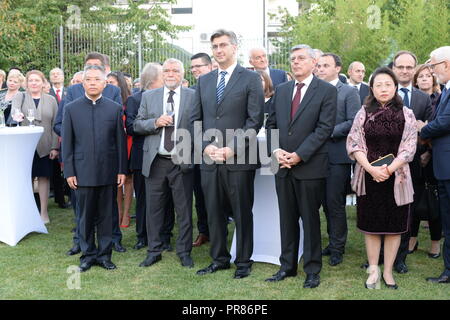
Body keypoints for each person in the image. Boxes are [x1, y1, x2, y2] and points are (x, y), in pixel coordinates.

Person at [191, 29, 264, 279]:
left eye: (223, 45)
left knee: (242, 212)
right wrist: (205, 145)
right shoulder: (204, 81)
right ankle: (219, 258)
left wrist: (232, 147)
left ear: (234, 47)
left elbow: (254, 121)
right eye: (215, 46)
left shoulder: (251, 79)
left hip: (239, 158)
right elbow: (194, 120)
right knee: (213, 211)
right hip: (210, 158)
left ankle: (243, 261)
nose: (218, 50)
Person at [265, 44, 337, 289]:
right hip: (282, 165)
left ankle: (312, 270)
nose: (296, 62)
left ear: (313, 63)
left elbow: (324, 128)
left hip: (310, 166)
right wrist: (275, 151)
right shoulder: (282, 90)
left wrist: (299, 155)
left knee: (310, 220)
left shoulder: (326, 91)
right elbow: (271, 123)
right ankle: (287, 266)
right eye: (293, 59)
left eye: (301, 58)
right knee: (286, 218)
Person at [347, 67, 417, 289]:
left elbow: (409, 146)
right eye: (379, 85)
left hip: (397, 179)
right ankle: (373, 270)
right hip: (369, 178)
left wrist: (389, 169)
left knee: (394, 227)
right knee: (372, 227)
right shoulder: (363, 113)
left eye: (388, 84)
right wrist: (370, 168)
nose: (383, 88)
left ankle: (388, 272)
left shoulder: (407, 114)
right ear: (372, 88)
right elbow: (354, 143)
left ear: (395, 86)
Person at [54, 52, 124, 257]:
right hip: (81, 171)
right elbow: (67, 143)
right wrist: (69, 171)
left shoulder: (114, 109)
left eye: (97, 80)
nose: (92, 83)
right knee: (84, 216)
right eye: (88, 80)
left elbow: (119, 142)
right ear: (82, 84)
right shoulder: (71, 109)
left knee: (105, 215)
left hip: (108, 171)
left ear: (105, 84)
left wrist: (121, 170)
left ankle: (104, 255)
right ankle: (87, 254)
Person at [134, 58, 195, 268]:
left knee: (184, 209)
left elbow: (200, 126)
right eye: (167, 71)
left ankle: (184, 251)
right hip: (156, 161)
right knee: (154, 209)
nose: (170, 74)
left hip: (182, 161)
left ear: (182, 74)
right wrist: (155, 123)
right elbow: (137, 124)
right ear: (162, 75)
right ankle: (154, 250)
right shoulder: (149, 96)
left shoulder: (193, 96)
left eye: (175, 71)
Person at [316, 53, 361, 266]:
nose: (321, 69)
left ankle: (337, 248)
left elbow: (354, 121)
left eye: (326, 65)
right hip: (314, 156)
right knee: (323, 203)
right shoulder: (314, 91)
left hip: (337, 156)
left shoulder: (349, 92)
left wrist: (327, 132)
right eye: (319, 65)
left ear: (338, 68)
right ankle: (328, 242)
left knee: (334, 203)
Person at [391, 50, 433, 274]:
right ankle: (378, 255)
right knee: (383, 209)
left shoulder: (423, 98)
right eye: (401, 67)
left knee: (407, 211)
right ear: (394, 68)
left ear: (414, 70)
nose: (405, 71)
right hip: (384, 165)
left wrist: (425, 149)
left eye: (409, 67)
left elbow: (428, 129)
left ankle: (400, 258)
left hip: (413, 165)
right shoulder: (382, 92)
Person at [125, 62, 174, 251]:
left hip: (167, 155)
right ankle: (142, 235)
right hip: (143, 156)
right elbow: (130, 127)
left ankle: (166, 236)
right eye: (164, 76)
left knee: (167, 199)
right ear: (154, 80)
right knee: (144, 199)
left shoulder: (170, 98)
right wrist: (154, 124)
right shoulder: (135, 100)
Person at [418, 46, 450, 284]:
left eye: (434, 65)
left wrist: (422, 129)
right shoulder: (446, 90)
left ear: (446, 64)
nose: (432, 70)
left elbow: (443, 122)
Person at [11, 70, 59, 224]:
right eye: (31, 80)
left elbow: (55, 125)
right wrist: (17, 115)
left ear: (43, 82)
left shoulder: (51, 100)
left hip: (45, 145)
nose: (33, 83)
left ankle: (44, 213)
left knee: (44, 178)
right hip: (25, 145)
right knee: (27, 179)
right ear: (26, 83)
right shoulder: (20, 96)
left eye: (37, 80)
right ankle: (28, 212)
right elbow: (15, 111)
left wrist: (54, 147)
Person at [408, 64, 443, 258]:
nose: (423, 79)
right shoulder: (410, 98)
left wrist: (428, 152)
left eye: (427, 76)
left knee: (433, 200)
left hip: (431, 156)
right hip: (412, 156)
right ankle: (412, 238)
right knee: (413, 198)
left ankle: (435, 242)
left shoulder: (440, 99)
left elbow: (434, 128)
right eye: (420, 76)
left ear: (433, 79)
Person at [189, 52, 213, 247]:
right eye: (193, 67)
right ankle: (204, 231)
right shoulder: (193, 89)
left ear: (210, 67)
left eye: (200, 66)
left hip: (222, 147)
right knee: (200, 193)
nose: (196, 70)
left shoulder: (218, 87)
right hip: (197, 149)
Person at [107, 71, 134, 229]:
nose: (109, 85)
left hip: (128, 142)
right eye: (107, 82)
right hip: (113, 144)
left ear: (120, 84)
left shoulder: (129, 100)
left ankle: (126, 213)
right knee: (116, 180)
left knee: (128, 179)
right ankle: (117, 212)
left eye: (112, 82)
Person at [48, 67, 69, 209]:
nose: (55, 76)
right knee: (55, 169)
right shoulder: (47, 93)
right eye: (53, 74)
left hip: (66, 133)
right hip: (54, 132)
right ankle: (59, 198)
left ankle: (69, 195)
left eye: (58, 74)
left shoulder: (70, 92)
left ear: (63, 77)